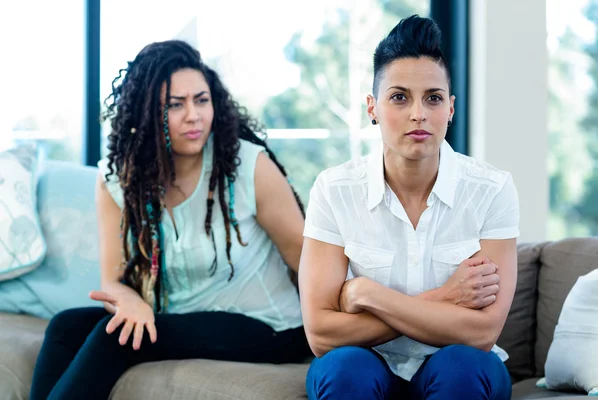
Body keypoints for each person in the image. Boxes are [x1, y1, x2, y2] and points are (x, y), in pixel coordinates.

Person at [30, 39, 310, 400]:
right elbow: (111, 281)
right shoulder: (119, 180)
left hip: (269, 324)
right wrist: (127, 300)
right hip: (179, 318)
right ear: (146, 114)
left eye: (202, 100)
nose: (193, 115)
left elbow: (306, 257)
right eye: (175, 105)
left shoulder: (248, 166)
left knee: (112, 338)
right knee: (65, 326)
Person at [299, 15, 519, 400]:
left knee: (463, 369)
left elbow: (482, 332)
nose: (418, 113)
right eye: (399, 97)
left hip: (458, 364)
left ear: (450, 109)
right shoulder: (333, 190)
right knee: (343, 370)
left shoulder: (492, 189)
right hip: (369, 362)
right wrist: (444, 297)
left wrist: (367, 294)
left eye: (432, 98)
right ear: (373, 108)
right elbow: (321, 334)